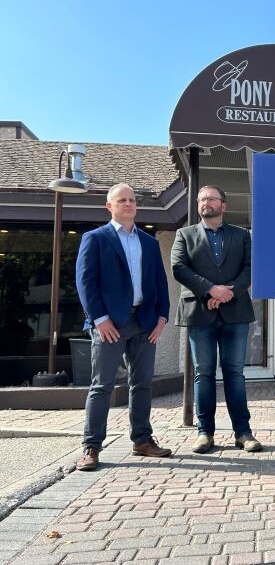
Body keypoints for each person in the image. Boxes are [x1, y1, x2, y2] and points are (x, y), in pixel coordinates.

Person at [75, 183, 172, 471]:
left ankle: (142, 440)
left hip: (144, 322)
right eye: (122, 200)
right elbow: (85, 283)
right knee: (102, 385)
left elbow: (160, 283)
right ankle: (91, 447)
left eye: (131, 200)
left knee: (142, 384)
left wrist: (162, 317)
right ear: (110, 206)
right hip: (109, 324)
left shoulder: (150, 243)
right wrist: (99, 319)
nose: (128, 204)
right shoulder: (95, 239)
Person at [171, 185, 263, 454]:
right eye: (202, 199)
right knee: (204, 373)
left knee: (235, 374)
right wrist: (211, 290)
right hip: (199, 313)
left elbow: (251, 267)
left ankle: (243, 433)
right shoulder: (184, 234)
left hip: (235, 312)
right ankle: (205, 433)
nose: (205, 202)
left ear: (224, 205)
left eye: (211, 198)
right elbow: (179, 267)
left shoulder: (241, 235)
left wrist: (226, 294)